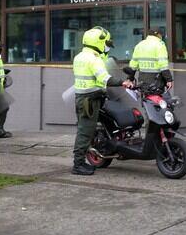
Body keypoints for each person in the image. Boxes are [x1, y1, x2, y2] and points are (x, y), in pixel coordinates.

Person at [72, 26, 134, 175]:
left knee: (86, 130)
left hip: (84, 98)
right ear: (98, 42)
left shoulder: (79, 56)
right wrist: (123, 82)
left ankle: (97, 154)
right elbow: (105, 78)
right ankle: (78, 165)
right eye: (106, 43)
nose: (107, 47)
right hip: (90, 101)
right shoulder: (94, 59)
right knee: (85, 132)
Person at [129, 27, 173, 92]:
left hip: (142, 80)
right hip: (156, 80)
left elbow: (133, 65)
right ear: (158, 35)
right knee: (160, 98)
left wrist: (130, 78)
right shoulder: (160, 45)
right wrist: (169, 79)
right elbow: (163, 65)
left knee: (144, 96)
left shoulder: (139, 45)